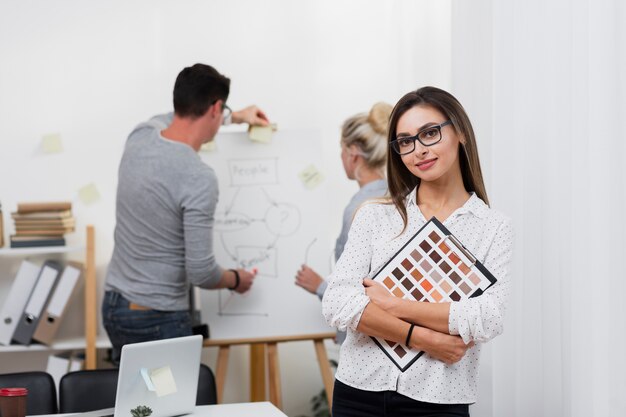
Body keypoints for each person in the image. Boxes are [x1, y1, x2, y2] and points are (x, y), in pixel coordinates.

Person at [322, 86, 513, 416]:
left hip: (438, 400)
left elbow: (487, 317)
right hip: (358, 391)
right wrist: (427, 338)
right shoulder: (375, 215)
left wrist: (393, 304)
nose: (418, 150)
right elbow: (338, 302)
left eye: (430, 133)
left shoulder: (492, 226)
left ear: (462, 133)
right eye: (406, 141)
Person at [102, 63, 269, 364]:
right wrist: (235, 279)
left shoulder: (141, 134)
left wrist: (234, 115)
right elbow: (201, 271)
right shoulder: (198, 177)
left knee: (138, 407)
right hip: (158, 318)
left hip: (115, 305)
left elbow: (175, 120)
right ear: (215, 107)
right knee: (168, 407)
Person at [295, 102, 391, 343]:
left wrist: (319, 286)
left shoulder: (360, 208)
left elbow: (358, 294)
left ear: (353, 153)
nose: (340, 157)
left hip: (366, 340)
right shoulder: (400, 196)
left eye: (341, 149)